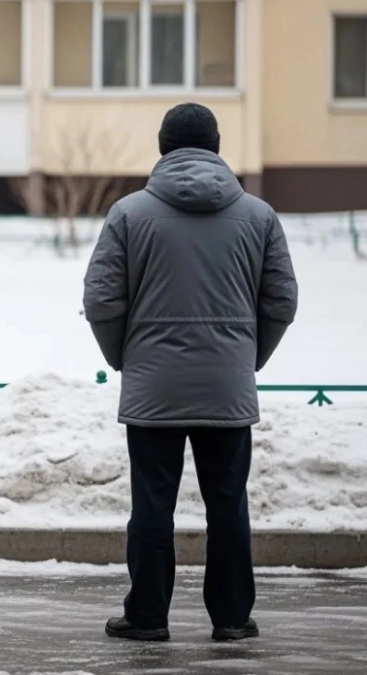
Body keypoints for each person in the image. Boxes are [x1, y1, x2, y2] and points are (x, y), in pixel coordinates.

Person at [83, 102, 298, 643]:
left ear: (162, 147)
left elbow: (103, 300)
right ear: (217, 146)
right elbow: (281, 301)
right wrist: (245, 358)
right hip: (226, 387)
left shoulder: (129, 214)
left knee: (152, 506)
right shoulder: (258, 216)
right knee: (228, 503)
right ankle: (231, 617)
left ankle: (149, 616)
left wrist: (126, 357)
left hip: (154, 386)